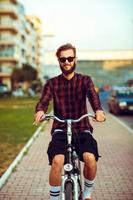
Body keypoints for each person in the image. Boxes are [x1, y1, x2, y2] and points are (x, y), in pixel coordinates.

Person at [34, 43, 106, 200]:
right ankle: (54, 198)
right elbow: (44, 100)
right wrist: (40, 110)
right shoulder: (52, 83)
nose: (67, 62)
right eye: (63, 59)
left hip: (82, 127)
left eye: (70, 58)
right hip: (60, 128)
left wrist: (98, 111)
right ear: (59, 61)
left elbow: (93, 96)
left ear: (75, 60)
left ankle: (86, 194)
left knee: (90, 159)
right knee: (57, 161)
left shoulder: (85, 80)